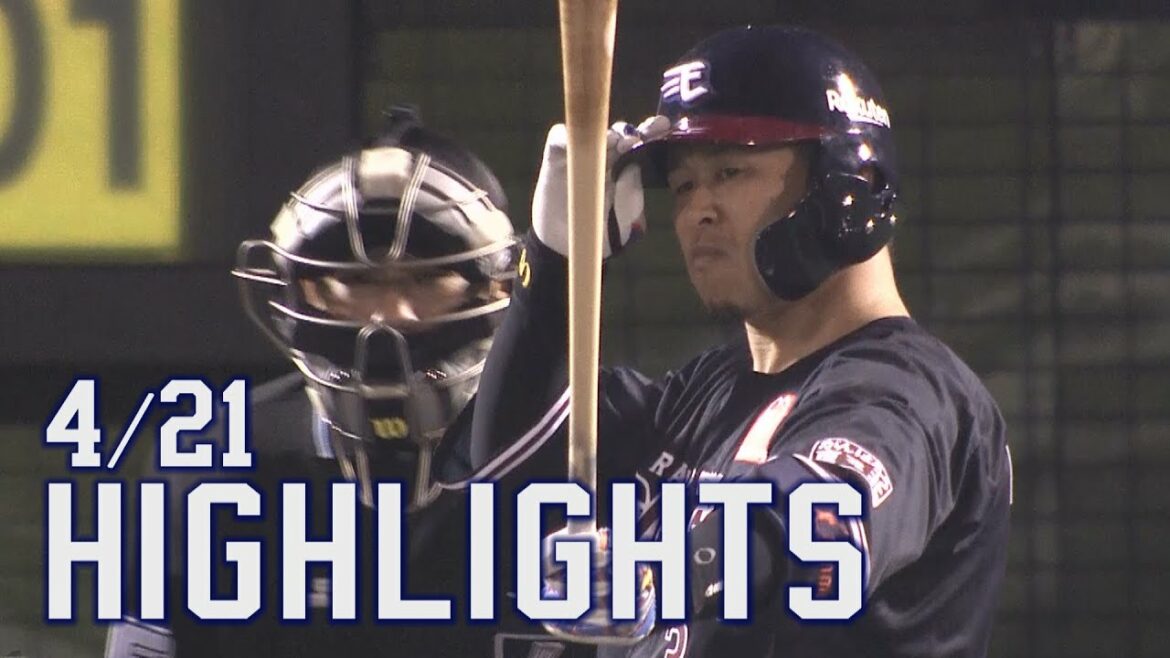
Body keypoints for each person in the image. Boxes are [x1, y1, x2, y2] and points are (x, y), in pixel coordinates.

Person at [464, 26, 1012, 658]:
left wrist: (660, 570)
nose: (697, 210)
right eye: (684, 185)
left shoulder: (914, 393)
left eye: (729, 171)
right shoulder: (705, 392)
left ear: (848, 185)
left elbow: (820, 515)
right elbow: (509, 458)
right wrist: (555, 262)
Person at [104, 107, 575, 657]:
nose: (389, 315)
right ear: (306, 291)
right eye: (357, 281)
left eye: (427, 277)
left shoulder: (575, 457)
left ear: (496, 288)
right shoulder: (216, 466)